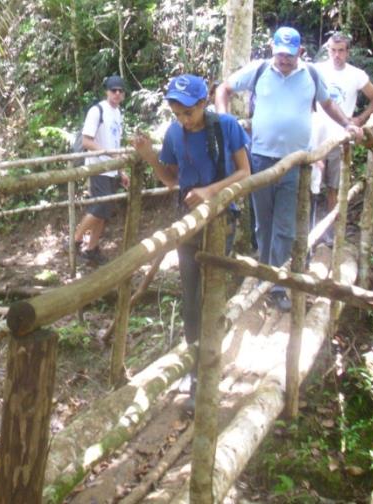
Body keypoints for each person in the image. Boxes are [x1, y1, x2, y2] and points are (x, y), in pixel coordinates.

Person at [215, 26, 362, 312]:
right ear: (272, 49)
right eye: (280, 54)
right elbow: (224, 89)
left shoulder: (310, 74)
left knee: (284, 225)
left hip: (294, 162)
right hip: (260, 160)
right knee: (263, 223)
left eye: (290, 56)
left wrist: (347, 124)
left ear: (300, 53)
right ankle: (266, 273)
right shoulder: (258, 70)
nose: (284, 60)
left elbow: (328, 103)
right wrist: (224, 120)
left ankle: (277, 285)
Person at [133, 74, 251, 404]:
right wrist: (149, 156)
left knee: (210, 290)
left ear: (203, 103)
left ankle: (210, 361)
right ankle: (194, 367)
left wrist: (209, 192)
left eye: (188, 112)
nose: (184, 119)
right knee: (189, 296)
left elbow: (245, 173)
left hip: (220, 220)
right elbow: (171, 180)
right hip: (188, 222)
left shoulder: (226, 126)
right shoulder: (174, 133)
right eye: (177, 113)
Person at [311, 32, 373, 236]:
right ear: (328, 50)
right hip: (316, 135)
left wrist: (360, 119)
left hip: (340, 136)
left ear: (347, 52)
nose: (336, 55)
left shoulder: (356, 75)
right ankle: (308, 230)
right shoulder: (317, 70)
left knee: (333, 187)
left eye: (341, 51)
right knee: (310, 185)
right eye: (333, 51)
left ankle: (332, 233)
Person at [73, 75, 130, 265]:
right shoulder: (97, 111)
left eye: (120, 91)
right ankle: (75, 240)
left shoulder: (118, 113)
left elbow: (115, 143)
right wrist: (110, 156)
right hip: (98, 166)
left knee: (105, 211)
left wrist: (120, 171)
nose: (117, 93)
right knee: (99, 207)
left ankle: (91, 249)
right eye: (114, 90)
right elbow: (87, 141)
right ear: (107, 91)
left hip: (112, 169)